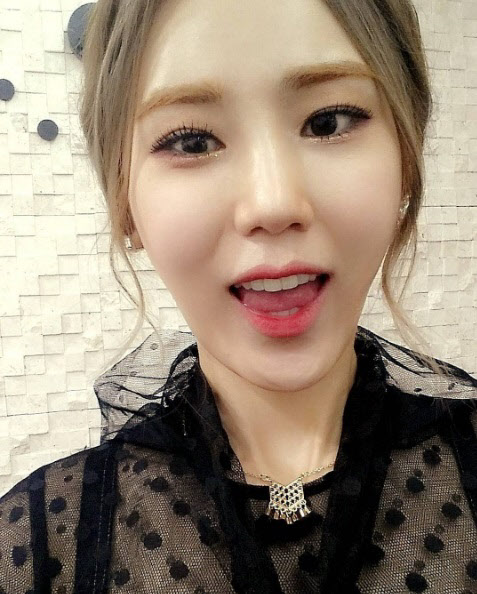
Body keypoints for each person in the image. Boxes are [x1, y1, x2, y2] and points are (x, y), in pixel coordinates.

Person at [1, 0, 476, 592]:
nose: (273, 204)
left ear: (406, 158)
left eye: (328, 122)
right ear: (124, 203)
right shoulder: (39, 549)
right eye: (192, 140)